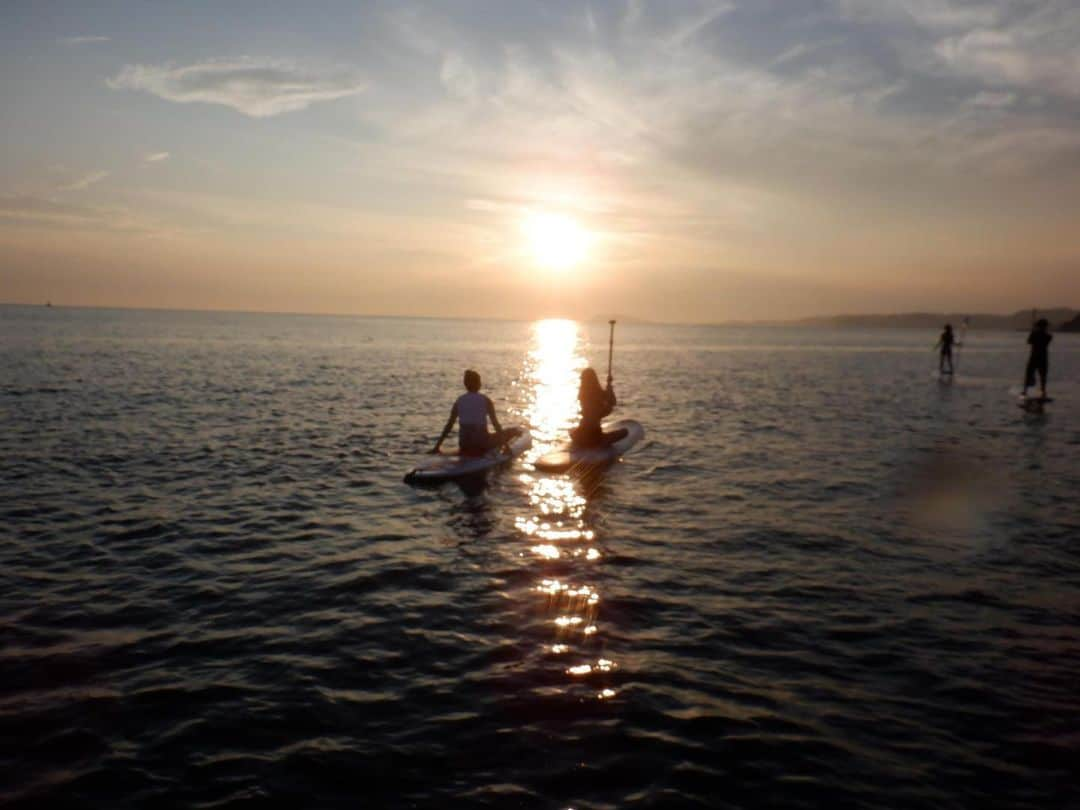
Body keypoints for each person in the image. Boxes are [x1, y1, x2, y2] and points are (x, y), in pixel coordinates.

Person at [432, 370, 520, 456]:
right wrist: (507, 446)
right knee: (511, 432)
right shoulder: (486, 400)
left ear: (465, 385)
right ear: (478, 384)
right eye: (480, 382)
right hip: (481, 445)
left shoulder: (459, 401)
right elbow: (496, 424)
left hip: (464, 445)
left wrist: (437, 447)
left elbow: (449, 425)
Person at [570, 368, 628, 448]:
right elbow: (610, 404)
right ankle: (598, 442)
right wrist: (609, 406)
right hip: (594, 436)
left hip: (580, 434)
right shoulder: (595, 395)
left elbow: (612, 401)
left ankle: (588, 441)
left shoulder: (582, 395)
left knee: (574, 431)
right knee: (625, 432)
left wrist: (609, 386)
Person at [1022, 318, 1052, 398]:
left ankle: (1043, 392)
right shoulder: (1037, 334)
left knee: (1043, 377)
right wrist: (1033, 331)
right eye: (1043, 326)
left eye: (1044, 326)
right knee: (1029, 375)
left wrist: (1034, 332)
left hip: (1041, 359)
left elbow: (1031, 341)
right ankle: (1025, 391)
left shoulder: (1047, 336)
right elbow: (1029, 341)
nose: (1044, 328)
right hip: (1035, 358)